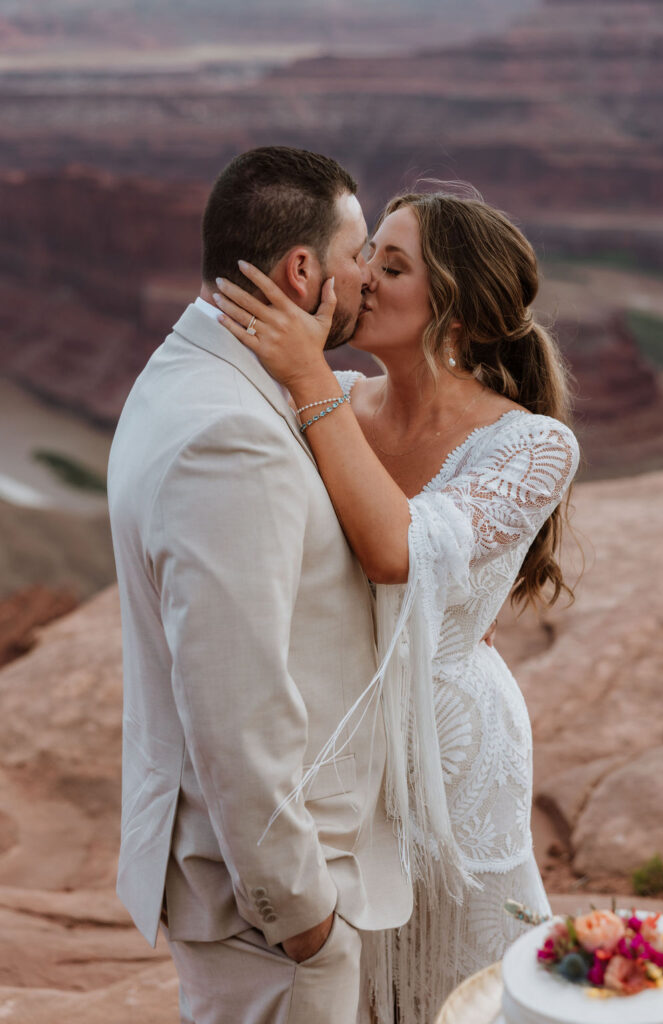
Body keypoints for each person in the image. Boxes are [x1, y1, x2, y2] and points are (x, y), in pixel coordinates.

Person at [211, 188, 581, 1023]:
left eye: (393, 263)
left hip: (456, 756)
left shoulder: (530, 444)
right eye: (367, 252)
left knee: (475, 985)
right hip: (333, 744)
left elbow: (397, 555)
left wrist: (306, 374)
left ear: (459, 310)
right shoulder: (328, 399)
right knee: (349, 985)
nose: (364, 278)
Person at [107, 146, 414, 1024]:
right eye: (360, 256)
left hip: (250, 902)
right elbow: (233, 711)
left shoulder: (188, 368)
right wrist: (305, 920)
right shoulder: (228, 438)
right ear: (303, 268)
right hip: (268, 919)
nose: (366, 279)